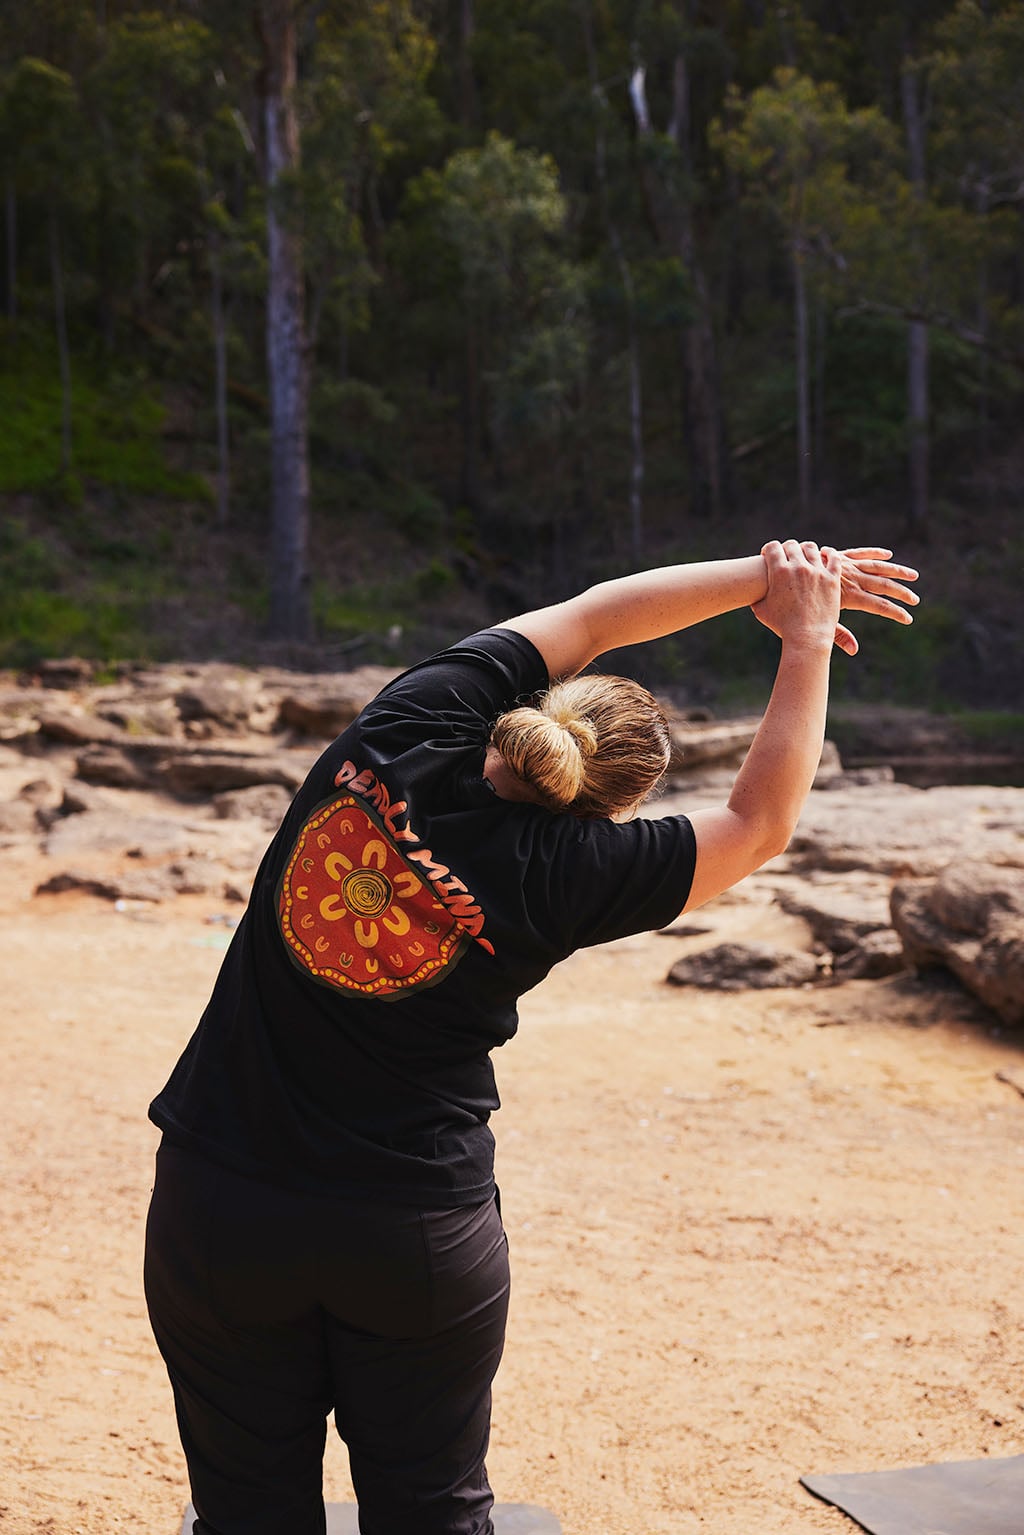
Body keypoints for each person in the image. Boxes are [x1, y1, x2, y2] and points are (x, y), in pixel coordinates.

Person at [144, 539, 918, 1535]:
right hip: (411, 1231)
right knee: (430, 1511)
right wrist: (805, 644)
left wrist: (769, 578)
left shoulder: (403, 726)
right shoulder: (572, 874)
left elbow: (596, 615)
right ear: (613, 803)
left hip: (221, 1195)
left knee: (245, 1514)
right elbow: (759, 823)